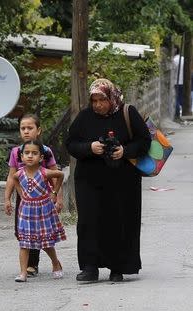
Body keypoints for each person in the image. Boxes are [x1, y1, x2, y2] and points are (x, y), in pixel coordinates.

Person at [65, 78, 151, 282]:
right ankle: (89, 267)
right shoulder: (85, 117)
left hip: (122, 182)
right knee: (88, 222)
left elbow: (144, 141)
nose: (98, 105)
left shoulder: (127, 113)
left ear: (111, 97)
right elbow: (70, 143)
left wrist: (124, 150)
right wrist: (90, 147)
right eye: (94, 101)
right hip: (89, 182)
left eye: (102, 100)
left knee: (118, 222)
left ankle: (117, 267)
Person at [4, 114, 64, 278]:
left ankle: (34, 265)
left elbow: (56, 174)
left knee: (43, 236)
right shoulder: (16, 152)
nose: (26, 131)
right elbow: (12, 176)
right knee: (23, 234)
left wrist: (57, 196)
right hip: (25, 200)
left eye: (30, 128)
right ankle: (26, 268)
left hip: (43, 200)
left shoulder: (45, 151)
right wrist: (8, 198)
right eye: (23, 128)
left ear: (38, 130)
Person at [173, 47, 184, 119]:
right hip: (183, 81)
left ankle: (177, 114)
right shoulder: (183, 58)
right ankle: (181, 113)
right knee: (180, 98)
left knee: (176, 98)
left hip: (176, 81)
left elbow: (173, 71)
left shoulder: (174, 60)